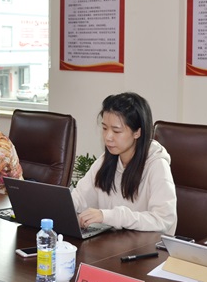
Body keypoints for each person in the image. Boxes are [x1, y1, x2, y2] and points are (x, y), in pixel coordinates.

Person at [71, 92, 177, 234]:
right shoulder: (106, 160)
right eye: (104, 128)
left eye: (116, 131)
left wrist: (110, 216)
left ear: (137, 132)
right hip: (113, 242)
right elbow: (79, 199)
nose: (108, 137)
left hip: (147, 245)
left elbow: (163, 220)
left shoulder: (157, 165)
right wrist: (60, 207)